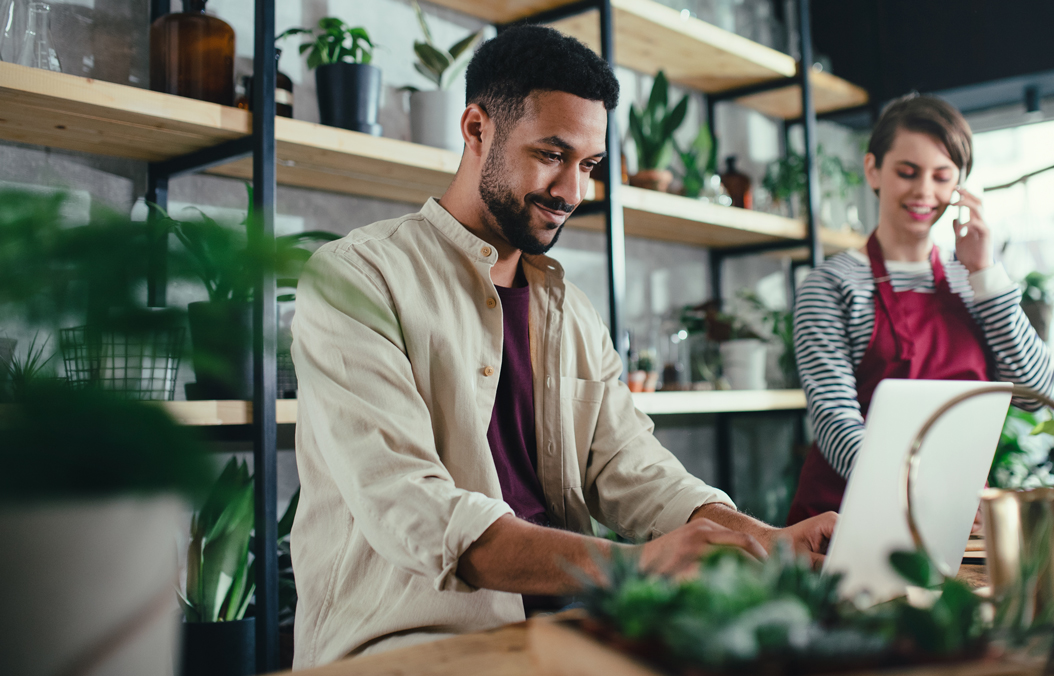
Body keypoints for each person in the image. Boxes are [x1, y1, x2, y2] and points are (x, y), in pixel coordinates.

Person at [289, 25, 836, 668]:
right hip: (409, 644)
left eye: (590, 165)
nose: (573, 192)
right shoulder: (357, 277)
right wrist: (634, 568)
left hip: (568, 633)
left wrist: (762, 540)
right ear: (475, 129)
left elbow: (632, 467)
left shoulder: (570, 310)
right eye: (552, 154)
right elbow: (412, 505)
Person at [786, 94, 1054, 524]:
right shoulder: (831, 285)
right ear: (873, 170)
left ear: (960, 185)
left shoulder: (974, 281)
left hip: (956, 518)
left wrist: (985, 271)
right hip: (847, 517)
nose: (924, 192)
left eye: (942, 176)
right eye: (907, 173)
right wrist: (927, 498)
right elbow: (835, 421)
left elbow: (1035, 392)